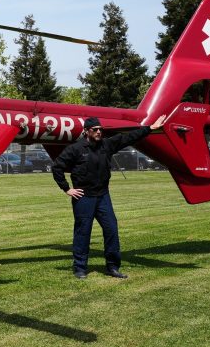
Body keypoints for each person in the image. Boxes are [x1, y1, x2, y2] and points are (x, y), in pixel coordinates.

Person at [51, 114, 166, 279]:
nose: (99, 132)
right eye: (95, 129)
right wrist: (67, 189)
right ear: (86, 131)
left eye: (100, 129)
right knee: (83, 232)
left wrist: (149, 128)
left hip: (103, 196)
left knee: (111, 229)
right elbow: (57, 167)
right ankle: (80, 268)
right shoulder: (75, 149)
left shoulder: (107, 145)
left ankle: (112, 267)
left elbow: (128, 137)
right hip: (84, 197)